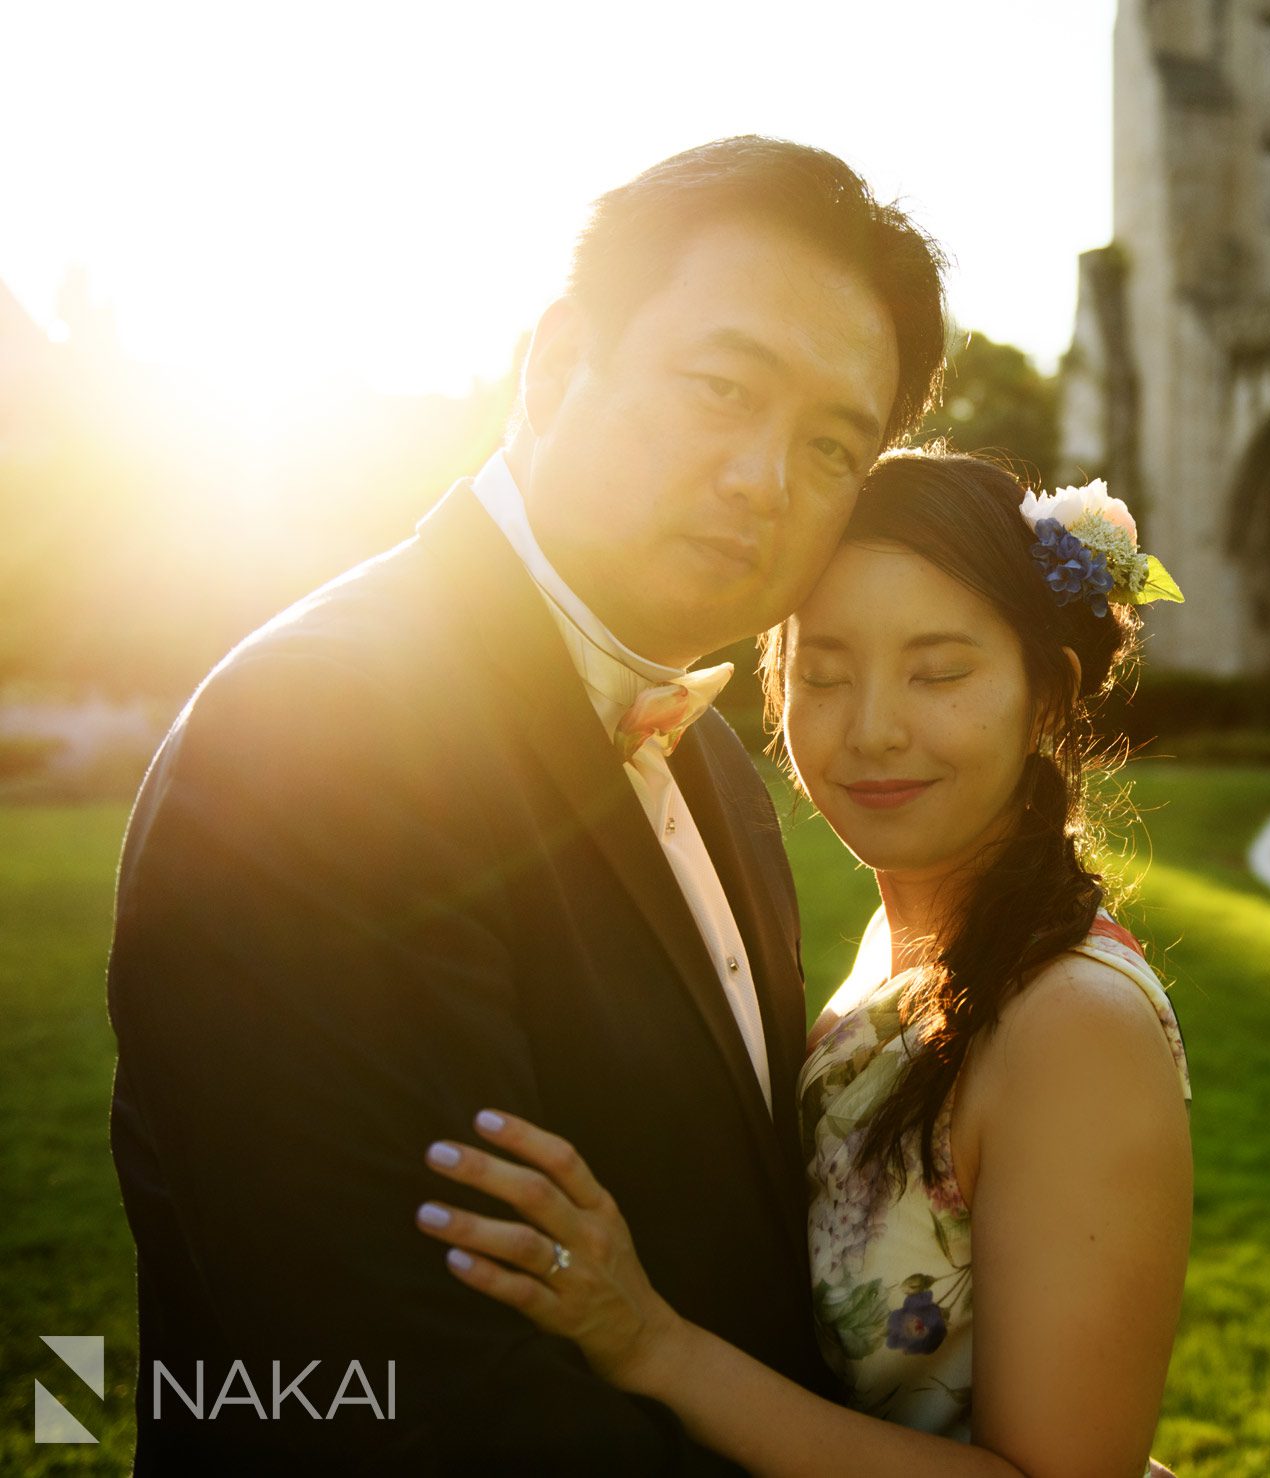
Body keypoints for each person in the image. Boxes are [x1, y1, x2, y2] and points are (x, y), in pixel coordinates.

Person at [105, 136, 947, 1474]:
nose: (764, 483)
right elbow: (394, 1386)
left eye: (832, 444)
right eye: (723, 388)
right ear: (560, 365)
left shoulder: (720, 766)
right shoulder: (316, 733)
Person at [412, 453, 1194, 1476]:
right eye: (823, 673)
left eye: (939, 670)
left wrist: (657, 1346)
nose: (871, 727)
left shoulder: (1071, 1025)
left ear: (1043, 691)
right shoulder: (898, 950)